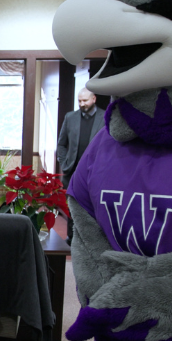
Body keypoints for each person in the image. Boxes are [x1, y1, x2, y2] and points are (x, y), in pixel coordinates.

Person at [56, 88, 103, 244]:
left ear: (94, 99)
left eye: (85, 100)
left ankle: (91, 240)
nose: (82, 104)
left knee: (92, 207)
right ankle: (71, 238)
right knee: (72, 206)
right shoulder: (71, 117)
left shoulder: (104, 117)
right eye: (80, 101)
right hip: (73, 172)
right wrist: (64, 163)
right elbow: (61, 144)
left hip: (95, 172)